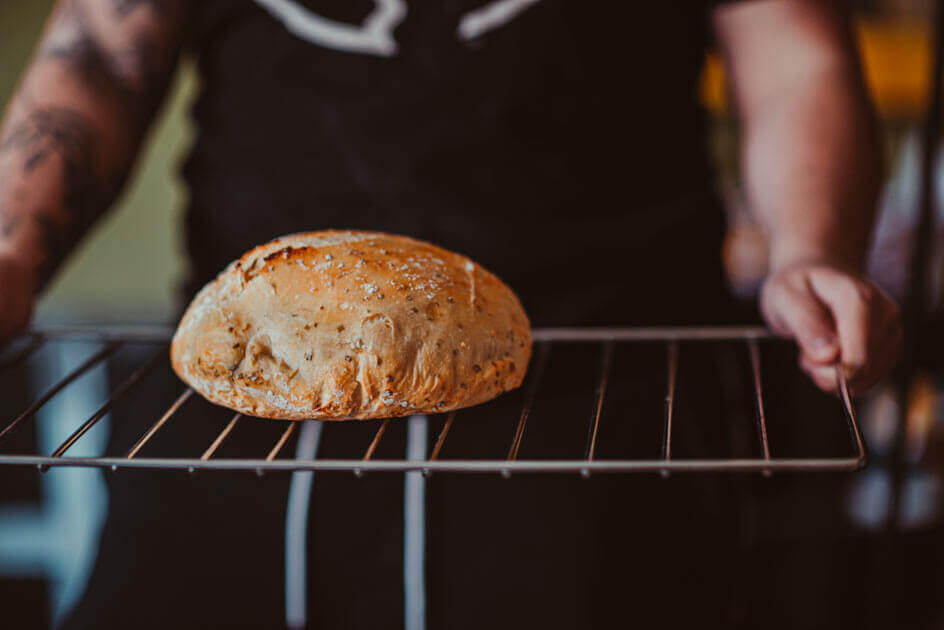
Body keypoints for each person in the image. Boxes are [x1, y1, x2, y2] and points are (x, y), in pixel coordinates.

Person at [0, 0, 905, 628]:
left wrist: (809, 252)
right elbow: (99, 56)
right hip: (243, 390)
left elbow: (794, 57)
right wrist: (10, 252)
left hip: (604, 404)